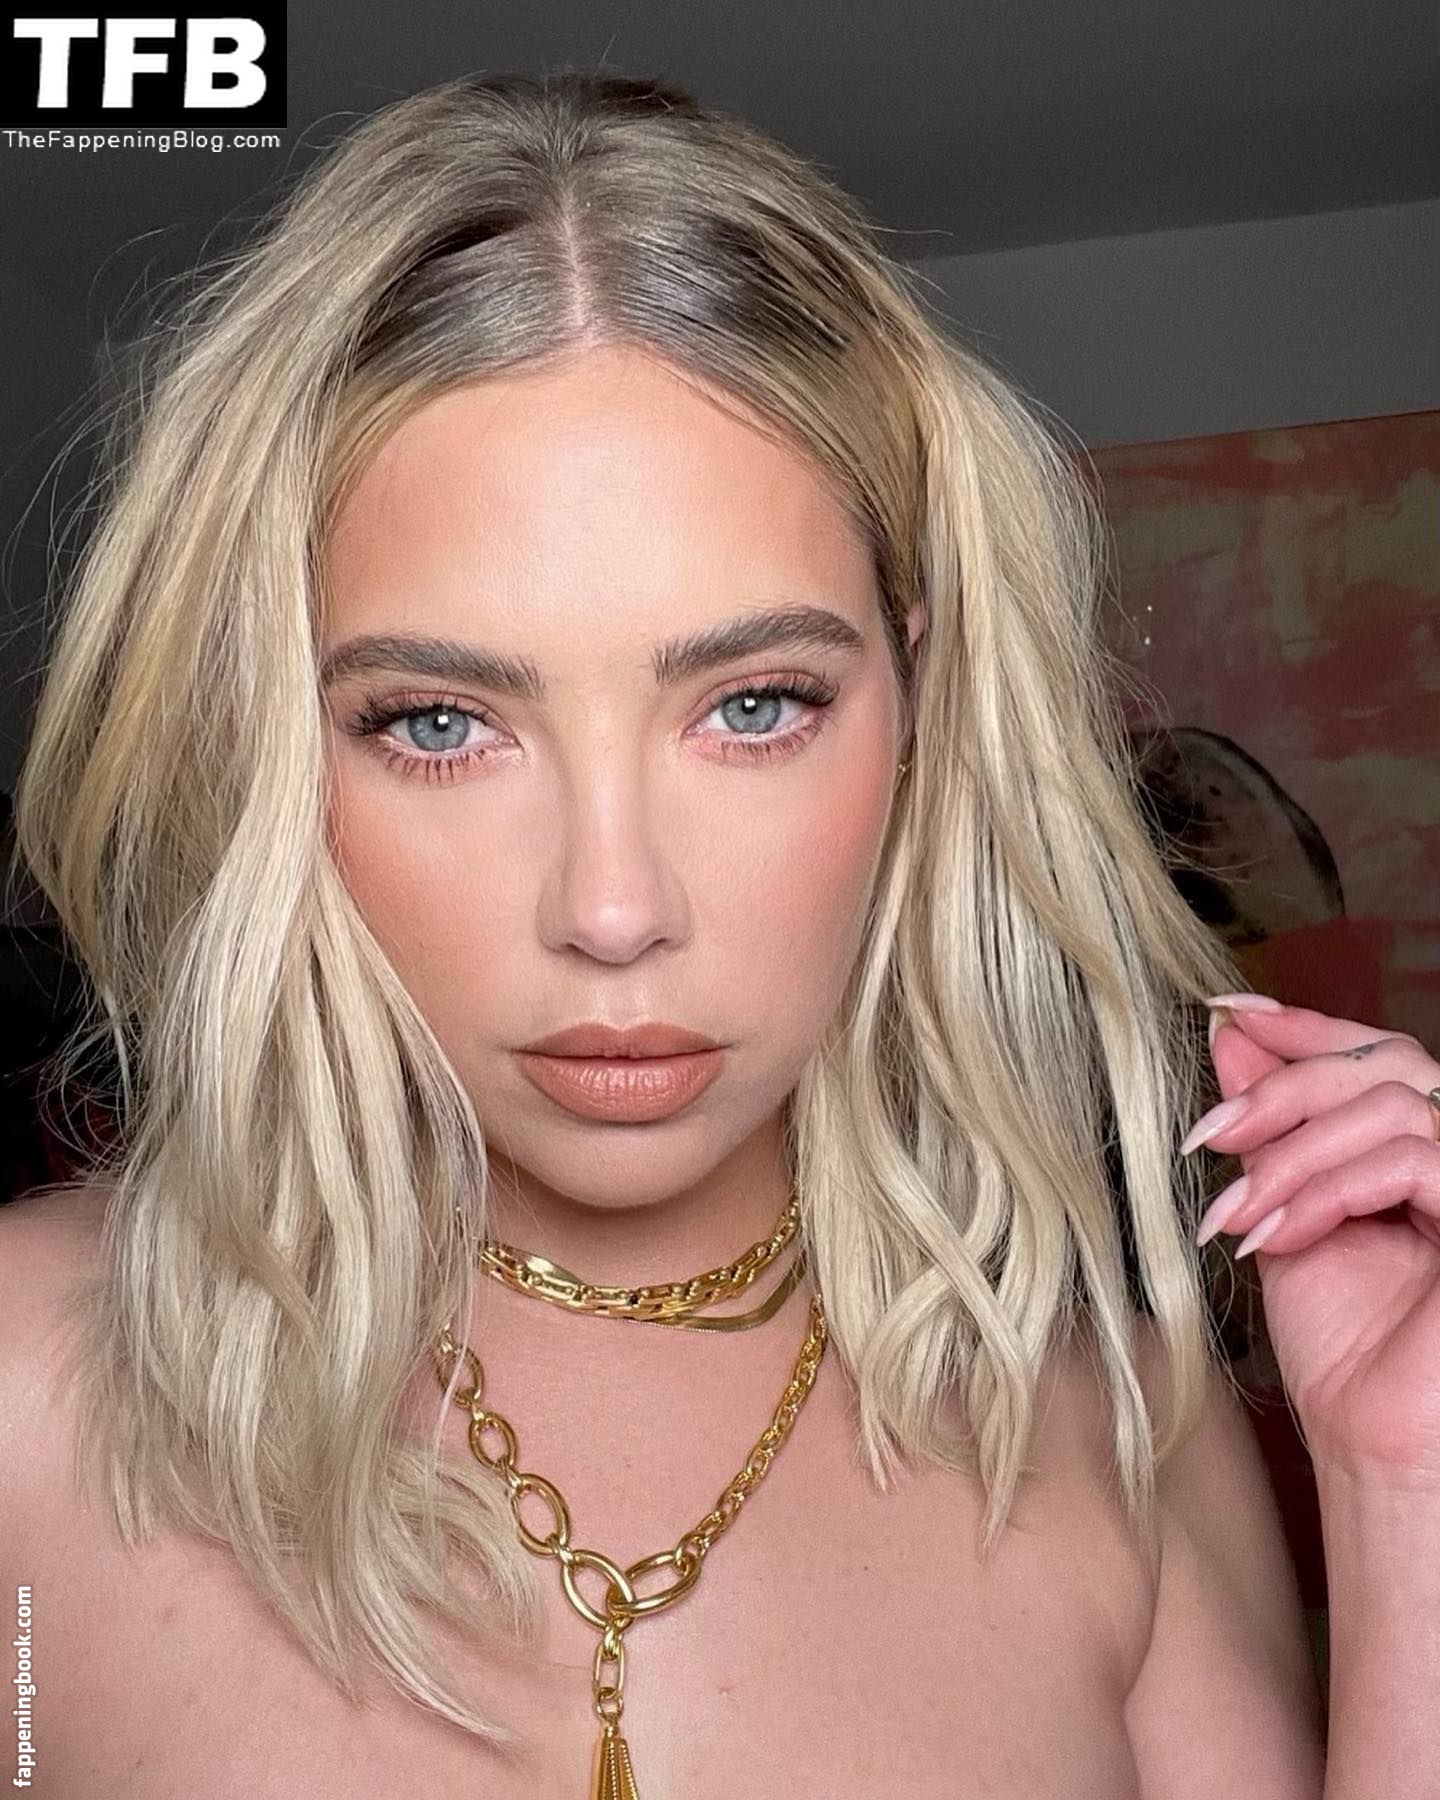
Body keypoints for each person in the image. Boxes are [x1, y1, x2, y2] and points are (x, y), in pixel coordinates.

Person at [2, 68, 1437, 1800]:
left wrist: (1408, 1485)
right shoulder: (25, 1385)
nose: (614, 910)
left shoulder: (1125, 1436)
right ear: (267, 747)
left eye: (754, 705)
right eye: (439, 723)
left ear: (916, 702)